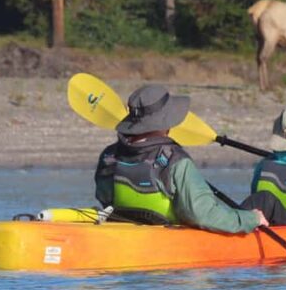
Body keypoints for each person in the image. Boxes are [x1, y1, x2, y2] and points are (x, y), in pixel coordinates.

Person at [94, 84, 268, 233]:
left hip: (127, 235)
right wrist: (251, 219)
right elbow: (202, 215)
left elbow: (105, 198)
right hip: (170, 243)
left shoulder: (109, 155)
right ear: (166, 121)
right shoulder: (176, 161)